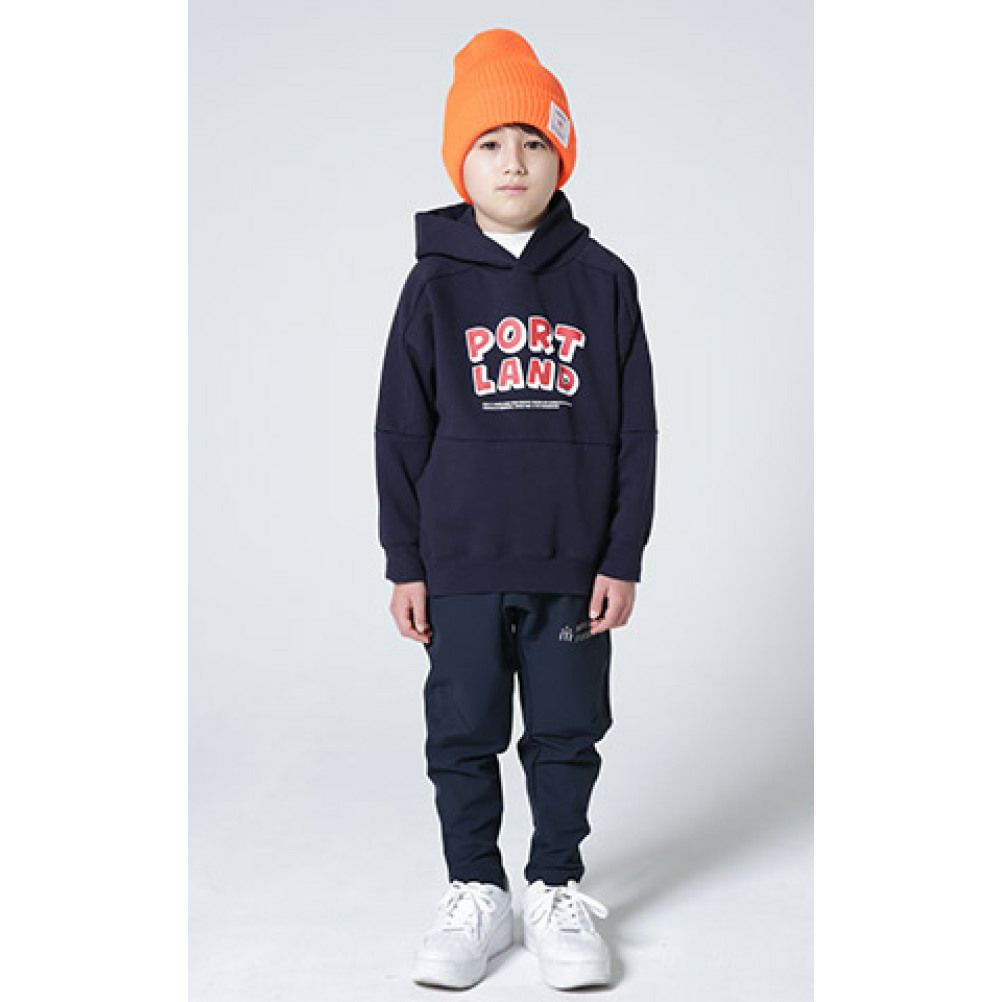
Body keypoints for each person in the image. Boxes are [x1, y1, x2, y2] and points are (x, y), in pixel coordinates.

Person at [373, 27, 658, 991]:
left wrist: (622, 555)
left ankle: (554, 886)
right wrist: (405, 560)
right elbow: (398, 430)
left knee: (568, 732)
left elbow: (637, 432)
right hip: (457, 564)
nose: (513, 161)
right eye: (490, 142)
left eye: (534, 140)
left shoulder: (604, 280)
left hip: (572, 565)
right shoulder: (433, 284)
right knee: (462, 733)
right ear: (460, 159)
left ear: (561, 153)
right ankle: (476, 890)